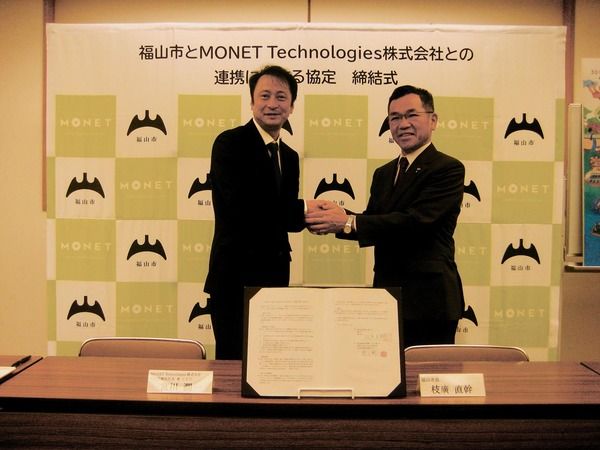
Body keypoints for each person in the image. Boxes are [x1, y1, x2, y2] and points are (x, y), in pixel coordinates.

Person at [305, 85, 465, 348]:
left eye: (411, 115)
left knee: (429, 372)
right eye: (395, 117)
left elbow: (416, 222)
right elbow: (375, 220)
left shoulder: (447, 168)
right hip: (387, 297)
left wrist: (347, 221)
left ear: (433, 120)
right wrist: (333, 217)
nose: (403, 124)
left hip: (430, 302)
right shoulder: (384, 173)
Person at [205, 65, 321, 360]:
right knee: (233, 362)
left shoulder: (290, 156)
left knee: (270, 361)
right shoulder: (229, 143)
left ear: (292, 106)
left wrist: (316, 217)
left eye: (281, 97)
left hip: (275, 275)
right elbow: (242, 207)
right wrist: (306, 208)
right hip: (233, 276)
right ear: (252, 102)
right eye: (265, 96)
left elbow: (287, 219)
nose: (272, 104)